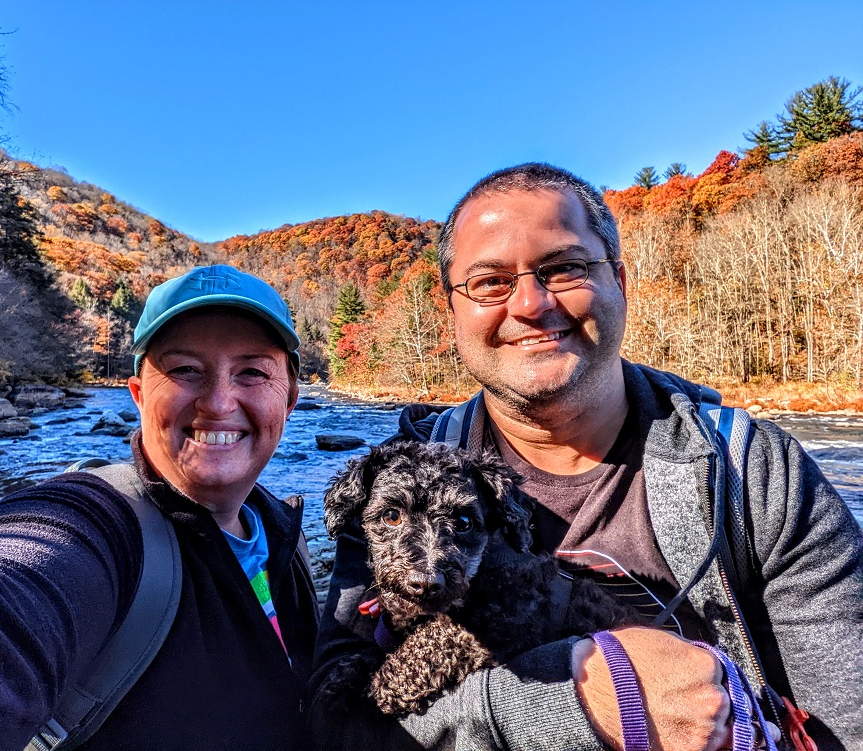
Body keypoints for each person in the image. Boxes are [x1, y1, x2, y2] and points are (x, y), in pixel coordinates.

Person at [311, 163, 863, 751]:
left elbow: (844, 726)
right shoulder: (395, 485)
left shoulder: (756, 475)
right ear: (451, 312)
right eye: (490, 281)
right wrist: (576, 702)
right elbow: (337, 723)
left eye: (565, 268)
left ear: (621, 282)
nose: (529, 303)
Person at [0, 264, 318, 750]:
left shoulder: (283, 529)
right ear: (140, 397)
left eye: (252, 372)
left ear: (288, 397)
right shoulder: (99, 528)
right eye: (185, 369)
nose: (219, 401)